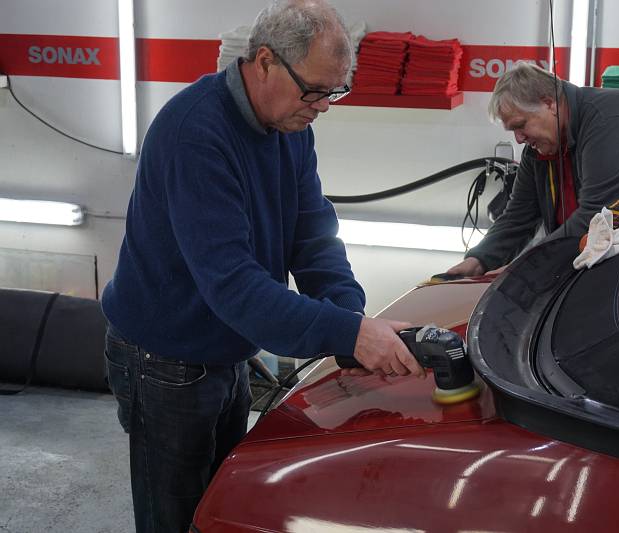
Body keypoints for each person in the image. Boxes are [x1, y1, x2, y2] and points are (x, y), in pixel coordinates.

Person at [101, 1, 423, 531]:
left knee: (221, 508)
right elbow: (235, 287)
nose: (324, 107)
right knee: (175, 517)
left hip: (227, 349)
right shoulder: (196, 135)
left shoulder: (291, 127)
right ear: (266, 61)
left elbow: (313, 236)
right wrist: (350, 334)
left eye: (335, 91)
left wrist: (351, 319)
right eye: (315, 90)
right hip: (165, 359)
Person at [448, 62, 619, 310]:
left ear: (549, 103)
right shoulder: (540, 149)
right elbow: (517, 216)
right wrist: (479, 260)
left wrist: (520, 271)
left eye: (520, 125)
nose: (519, 139)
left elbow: (596, 221)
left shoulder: (614, 122)